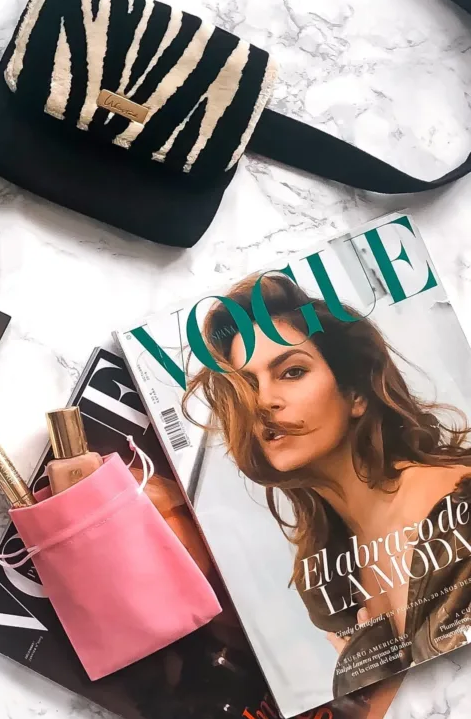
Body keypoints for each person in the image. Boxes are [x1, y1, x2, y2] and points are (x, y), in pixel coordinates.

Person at [185, 273, 471, 696]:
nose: (263, 401)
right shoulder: (325, 576)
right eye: (248, 386)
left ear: (355, 394)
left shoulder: (458, 506)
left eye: (292, 372)